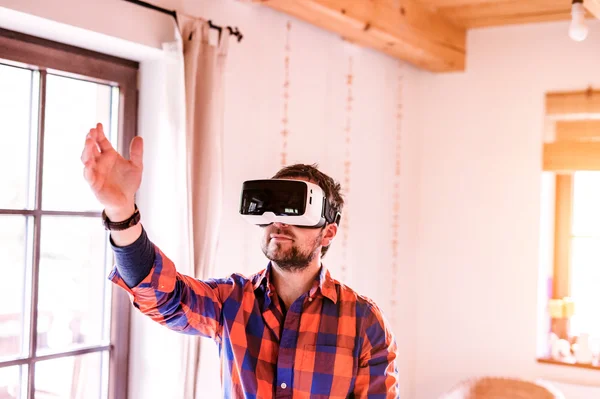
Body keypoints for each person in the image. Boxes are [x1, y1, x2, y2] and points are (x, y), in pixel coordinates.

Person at [81, 123, 400, 398]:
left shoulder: (364, 322)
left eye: (295, 210)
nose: (279, 221)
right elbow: (160, 294)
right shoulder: (230, 302)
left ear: (328, 232)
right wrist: (122, 213)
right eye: (271, 208)